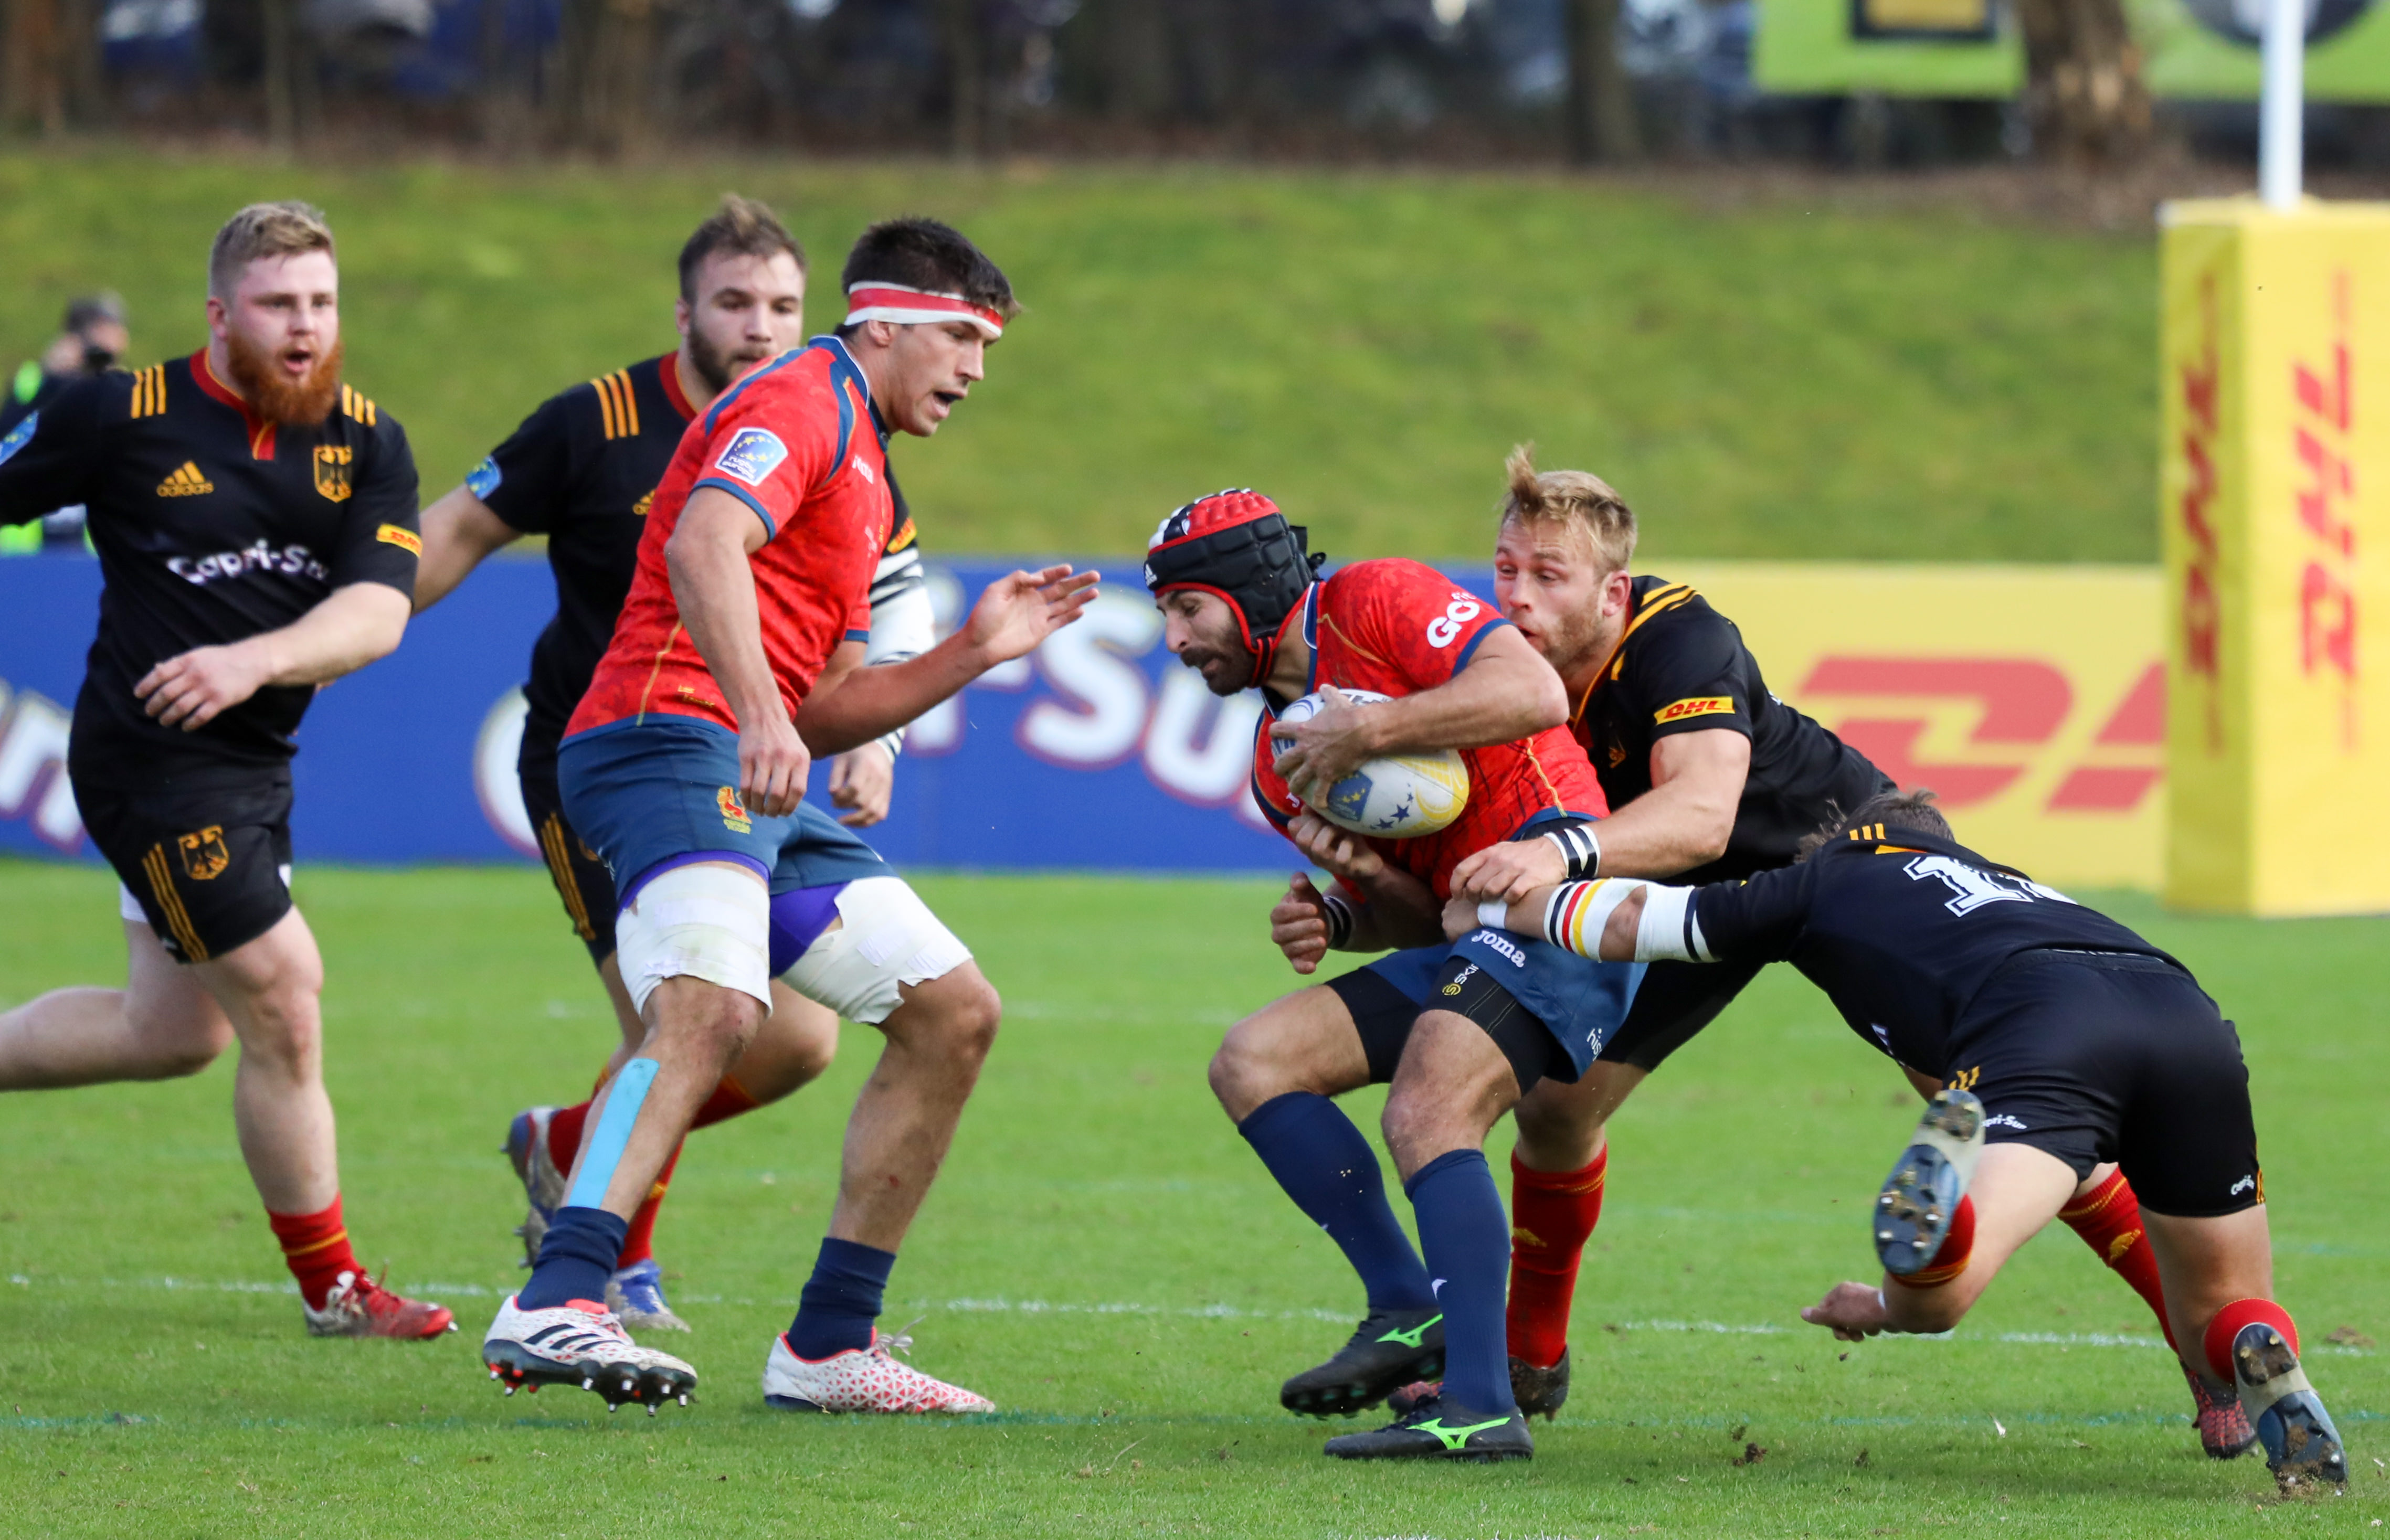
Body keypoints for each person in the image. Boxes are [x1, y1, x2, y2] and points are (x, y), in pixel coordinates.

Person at [1427, 447, 2248, 1454]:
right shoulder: (1498, 666)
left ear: (1610, 591)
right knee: (1555, 1108)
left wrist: (1557, 856)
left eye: (1546, 575)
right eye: (1504, 568)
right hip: (1689, 896)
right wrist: (1344, 901)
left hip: (1848, 865)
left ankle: (2203, 1358)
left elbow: (1699, 816)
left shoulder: (1678, 637)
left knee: (2025, 1126)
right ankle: (1528, 1358)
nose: (1514, 595)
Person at [478, 217, 1099, 1416]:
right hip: (662, 737)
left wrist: (972, 652)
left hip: (742, 760)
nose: (975, 369)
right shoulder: (803, 398)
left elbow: (824, 707)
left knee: (953, 1012)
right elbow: (707, 537)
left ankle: (827, 1346)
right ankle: (558, 1295)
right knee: (709, 1008)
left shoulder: (868, 465)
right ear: (887, 324)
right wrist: (760, 715)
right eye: (963, 339)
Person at [1481, 788, 2347, 1493]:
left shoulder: (1824, 877)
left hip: (2045, 1021)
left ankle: (1935, 1229)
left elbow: (1637, 919)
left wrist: (1496, 903)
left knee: (1940, 1298)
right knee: (2217, 1311)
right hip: (2182, 1010)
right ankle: (2255, 1349)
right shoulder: (2005, 880)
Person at [413, 195, 937, 1335]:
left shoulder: (841, 432)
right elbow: (452, 531)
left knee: (794, 1041)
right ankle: (605, 1265)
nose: (761, 326)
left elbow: (885, 602)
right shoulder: (597, 421)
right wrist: (335, 637)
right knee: (686, 1013)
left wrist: (876, 738)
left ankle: (568, 1147)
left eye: (783, 306)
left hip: (739, 750)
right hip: (607, 755)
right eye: (734, 302)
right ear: (684, 313)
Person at [0, 203, 452, 1339]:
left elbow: (376, 614)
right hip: (146, 759)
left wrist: (254, 660)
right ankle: (336, 1291)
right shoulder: (119, 415)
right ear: (219, 315)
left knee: (173, 1035)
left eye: (322, 303)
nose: (305, 327)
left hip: (252, 768)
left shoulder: (368, 442)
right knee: (286, 997)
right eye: (277, 304)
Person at [1145, 490, 1641, 1463]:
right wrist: (1349, 905)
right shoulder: (1276, 763)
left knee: (1426, 1108)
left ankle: (1480, 1406)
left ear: (1250, 590)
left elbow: (1534, 694)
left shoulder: (1374, 599)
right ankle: (1406, 1304)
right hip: (1471, 931)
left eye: (1189, 608)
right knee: (1253, 1060)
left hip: (1562, 901)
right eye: (1165, 614)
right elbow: (1424, 917)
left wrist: (1369, 734)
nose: (1175, 638)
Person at [1, 292, 130, 553]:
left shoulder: (120, 387)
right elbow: (8, 445)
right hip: (28, 547)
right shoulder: (35, 380)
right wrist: (52, 377)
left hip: (91, 549)